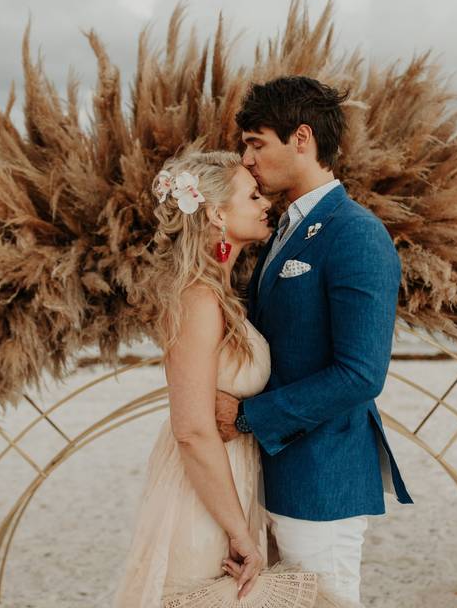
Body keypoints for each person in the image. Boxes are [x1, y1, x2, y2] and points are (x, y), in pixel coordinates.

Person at [213, 75, 414, 605]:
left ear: (302, 138)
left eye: (257, 143)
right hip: (270, 473)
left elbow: (360, 373)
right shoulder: (283, 229)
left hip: (323, 480)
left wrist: (246, 417)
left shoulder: (356, 233)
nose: (247, 158)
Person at [114, 150, 322, 606]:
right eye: (251, 195)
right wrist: (238, 531)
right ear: (216, 214)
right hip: (201, 497)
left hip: (233, 482)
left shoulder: (220, 295)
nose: (265, 202)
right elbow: (190, 428)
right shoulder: (198, 300)